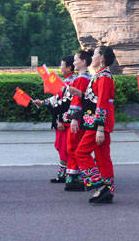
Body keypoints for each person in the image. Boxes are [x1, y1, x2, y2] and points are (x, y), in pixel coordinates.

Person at [72, 47, 117, 204]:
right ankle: (107, 190)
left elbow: (102, 103)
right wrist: (80, 94)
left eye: (96, 54)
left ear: (102, 58)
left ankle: (99, 184)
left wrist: (99, 128)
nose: (93, 57)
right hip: (98, 122)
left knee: (81, 153)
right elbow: (94, 100)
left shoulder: (103, 77)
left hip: (97, 123)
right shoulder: (100, 75)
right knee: (102, 157)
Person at [32, 55, 76, 183]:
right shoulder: (67, 81)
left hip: (66, 121)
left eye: (62, 65)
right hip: (62, 119)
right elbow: (57, 98)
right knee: (61, 146)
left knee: (64, 148)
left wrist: (61, 120)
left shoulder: (71, 82)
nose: (60, 68)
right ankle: (67, 174)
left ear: (69, 67)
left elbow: (66, 103)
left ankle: (67, 175)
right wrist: (43, 102)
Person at [62, 50, 92, 192]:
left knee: (73, 146)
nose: (73, 63)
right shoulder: (84, 77)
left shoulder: (82, 79)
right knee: (74, 146)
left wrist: (74, 119)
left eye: (76, 60)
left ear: (84, 62)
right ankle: (75, 175)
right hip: (80, 117)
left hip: (78, 119)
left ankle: (75, 175)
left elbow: (77, 100)